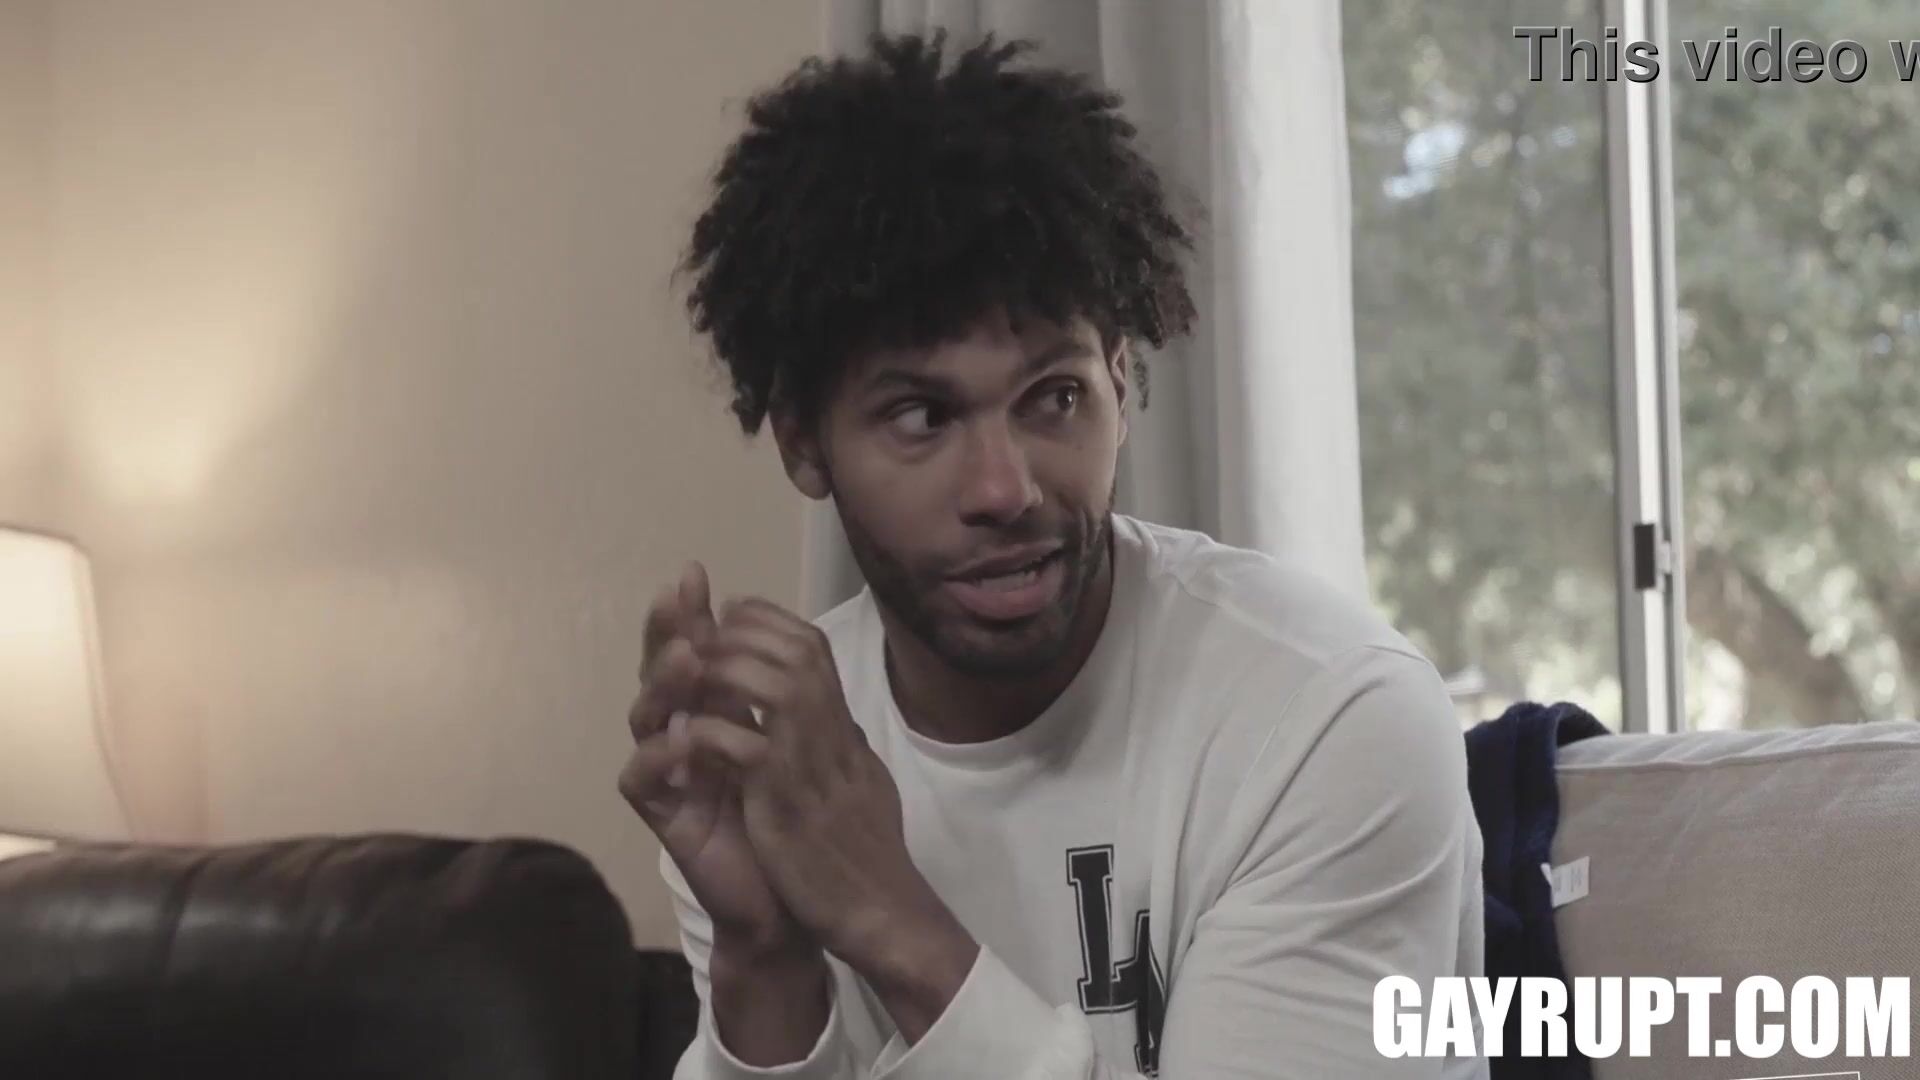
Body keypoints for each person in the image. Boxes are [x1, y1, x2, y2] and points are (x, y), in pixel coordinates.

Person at [619, 32, 1486, 1080]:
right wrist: (764, 963)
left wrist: (892, 922)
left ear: (1122, 382)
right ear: (804, 442)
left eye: (1055, 397)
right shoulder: (780, 763)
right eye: (922, 416)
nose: (1006, 489)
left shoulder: (1325, 718)